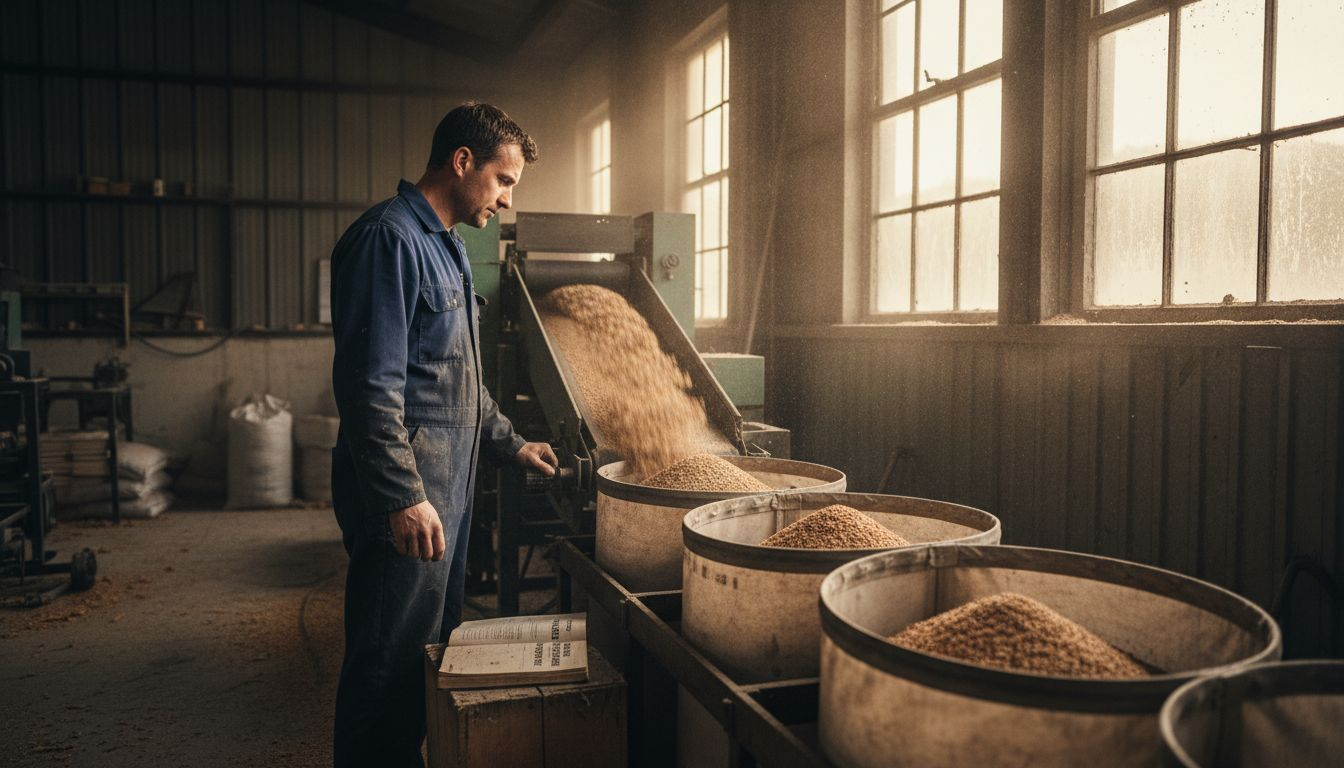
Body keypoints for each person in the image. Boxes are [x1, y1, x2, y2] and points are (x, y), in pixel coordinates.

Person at [328, 102, 557, 767]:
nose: (508, 202)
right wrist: (402, 495)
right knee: (385, 665)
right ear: (463, 162)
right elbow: (372, 387)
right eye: (504, 181)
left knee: (429, 656)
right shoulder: (389, 240)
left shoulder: (448, 246)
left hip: (446, 496)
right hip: (409, 498)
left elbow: (459, 377)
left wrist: (511, 440)